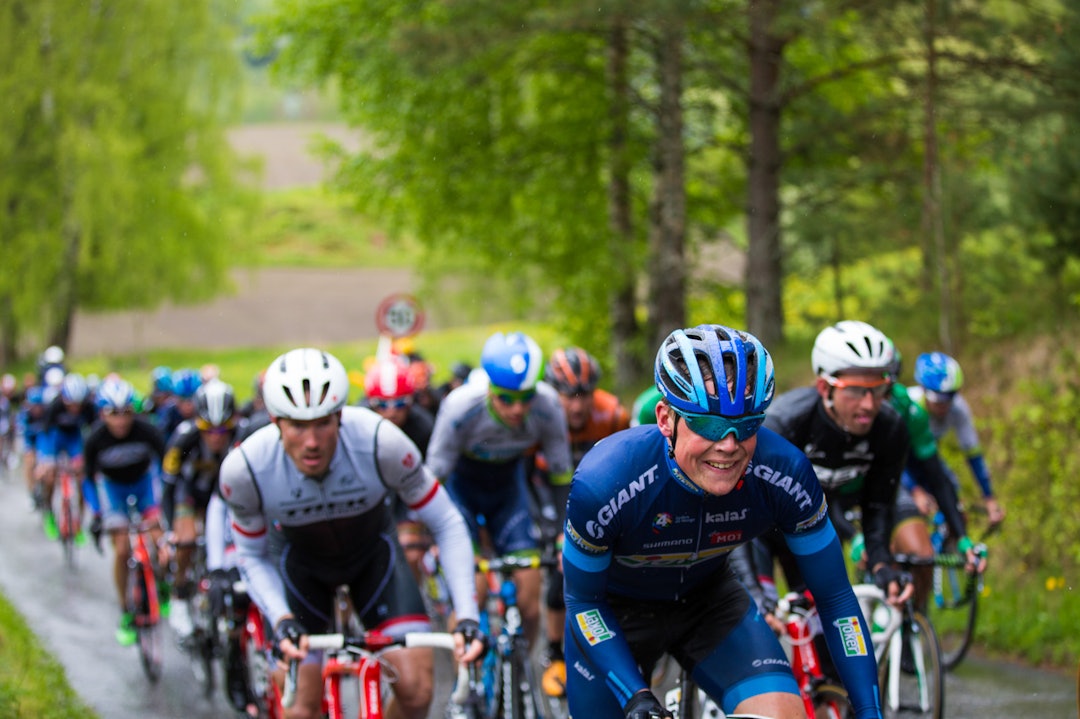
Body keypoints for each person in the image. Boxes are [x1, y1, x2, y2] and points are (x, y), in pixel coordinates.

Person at [562, 324, 883, 719]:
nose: (728, 445)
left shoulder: (784, 472)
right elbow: (583, 602)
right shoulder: (607, 481)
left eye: (747, 425)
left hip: (710, 605)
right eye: (709, 425)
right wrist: (636, 696)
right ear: (666, 419)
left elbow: (836, 601)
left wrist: (870, 711)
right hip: (614, 616)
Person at [219, 348, 484, 719]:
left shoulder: (380, 442)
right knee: (300, 708)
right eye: (298, 425)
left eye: (323, 423)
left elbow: (446, 522)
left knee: (417, 690)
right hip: (299, 570)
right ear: (275, 421)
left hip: (373, 559)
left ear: (341, 416)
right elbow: (251, 553)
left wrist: (467, 615)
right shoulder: (245, 469)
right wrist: (280, 618)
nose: (311, 442)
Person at [426, 331, 573, 648]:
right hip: (461, 493)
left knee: (529, 599)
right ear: (490, 387)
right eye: (506, 398)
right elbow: (434, 479)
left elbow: (561, 474)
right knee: (473, 593)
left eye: (526, 397)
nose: (518, 409)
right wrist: (434, 533)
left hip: (508, 493)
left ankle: (523, 679)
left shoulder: (548, 406)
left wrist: (564, 531)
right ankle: (464, 684)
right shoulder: (460, 408)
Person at [534, 346, 630, 697]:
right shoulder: (539, 415)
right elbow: (526, 475)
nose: (576, 405)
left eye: (584, 395)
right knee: (561, 570)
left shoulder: (614, 414)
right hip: (550, 495)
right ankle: (554, 651)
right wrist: (549, 529)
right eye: (568, 396)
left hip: (598, 494)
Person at [82, 378, 169, 646]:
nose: (120, 421)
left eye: (126, 413)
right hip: (114, 492)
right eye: (113, 414)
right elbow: (87, 479)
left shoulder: (147, 431)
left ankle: (163, 585)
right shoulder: (95, 439)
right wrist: (96, 514)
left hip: (144, 487)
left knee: (159, 539)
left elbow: (168, 468)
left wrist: (164, 507)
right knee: (122, 550)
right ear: (102, 414)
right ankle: (125, 610)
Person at [161, 378, 244, 640]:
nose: (216, 437)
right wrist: (168, 529)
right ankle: (179, 595)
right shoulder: (183, 438)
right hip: (191, 497)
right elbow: (169, 487)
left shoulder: (242, 435)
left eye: (223, 430)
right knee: (185, 541)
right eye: (208, 429)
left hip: (226, 498)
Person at [360, 355, 436, 581]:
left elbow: (429, 477)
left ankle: (411, 593)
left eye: (400, 404)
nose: (391, 413)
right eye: (382, 405)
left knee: (410, 552)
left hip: (405, 490)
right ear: (370, 403)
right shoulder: (358, 421)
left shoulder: (423, 427)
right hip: (369, 488)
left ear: (411, 402)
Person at [910, 351, 1005, 526]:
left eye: (950, 398)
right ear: (923, 390)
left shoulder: (958, 408)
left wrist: (989, 498)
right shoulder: (910, 405)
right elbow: (891, 458)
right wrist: (915, 490)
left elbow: (974, 455)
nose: (944, 406)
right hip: (900, 462)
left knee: (956, 505)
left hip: (928, 459)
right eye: (938, 400)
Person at [36, 372, 96, 540]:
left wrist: (87, 461)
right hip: (54, 437)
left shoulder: (89, 407)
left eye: (78, 404)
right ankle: (49, 513)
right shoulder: (55, 406)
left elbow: (94, 434)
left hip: (74, 438)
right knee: (49, 476)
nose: (75, 408)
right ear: (64, 398)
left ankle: (78, 524)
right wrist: (46, 462)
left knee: (81, 477)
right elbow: (45, 433)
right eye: (71, 404)